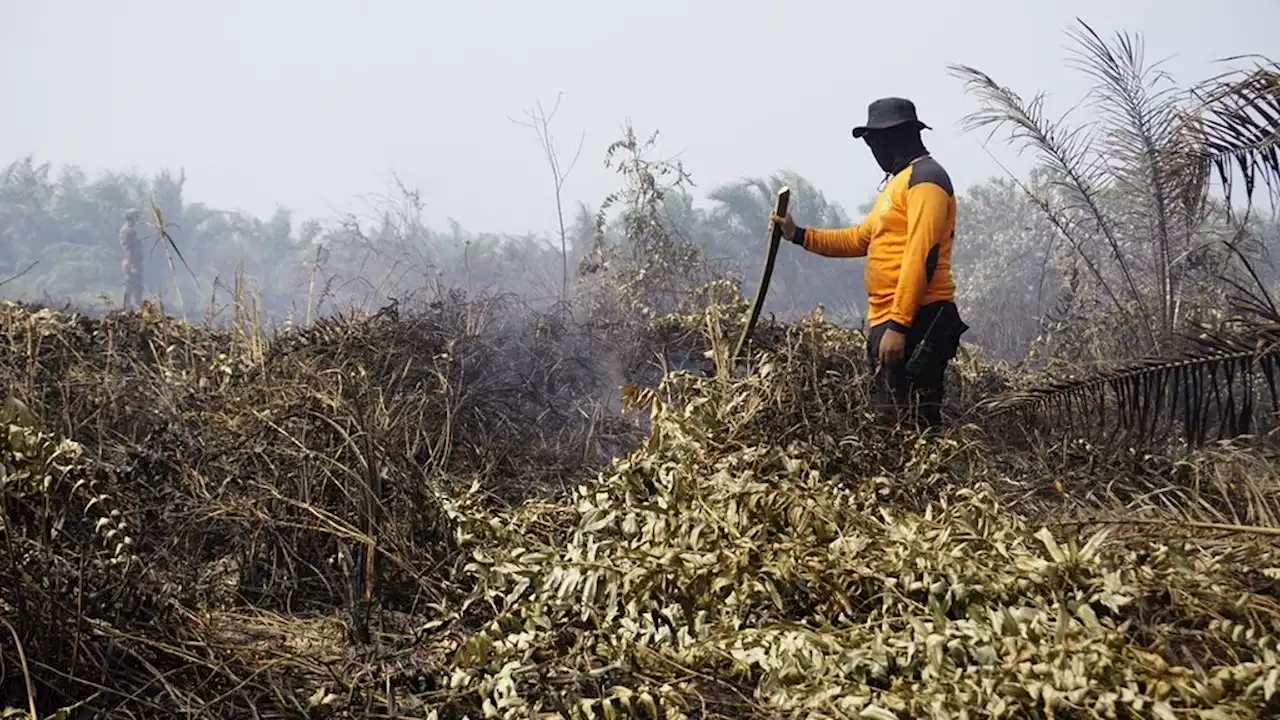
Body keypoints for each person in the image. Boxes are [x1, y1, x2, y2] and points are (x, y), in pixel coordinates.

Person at [771, 97, 968, 427]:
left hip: (917, 321)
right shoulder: (899, 183)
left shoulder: (927, 181)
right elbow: (860, 239)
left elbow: (923, 256)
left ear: (894, 137)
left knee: (912, 425)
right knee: (889, 425)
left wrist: (899, 325)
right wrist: (798, 234)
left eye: (874, 142)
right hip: (890, 320)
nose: (873, 151)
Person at [119, 209, 143, 310]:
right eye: (135, 217)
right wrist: (132, 265)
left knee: (137, 285)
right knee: (130, 285)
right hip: (131, 262)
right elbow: (128, 248)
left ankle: (136, 306)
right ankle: (127, 307)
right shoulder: (127, 231)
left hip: (134, 261)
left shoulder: (131, 230)